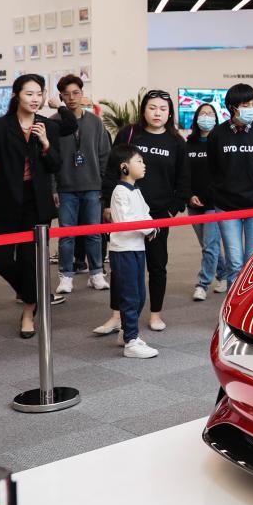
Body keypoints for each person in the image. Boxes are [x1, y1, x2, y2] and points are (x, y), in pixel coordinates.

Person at [0, 74, 77, 337]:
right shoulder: (0, 125)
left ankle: (29, 311)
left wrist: (45, 143)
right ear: (16, 95)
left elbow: (55, 164)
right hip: (7, 199)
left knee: (29, 259)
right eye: (29, 93)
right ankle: (31, 293)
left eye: (39, 94)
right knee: (0, 259)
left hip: (36, 202)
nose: (35, 99)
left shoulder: (48, 126)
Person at [96, 90, 189, 336]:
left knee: (157, 266)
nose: (157, 113)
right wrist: (108, 204)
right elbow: (112, 170)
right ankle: (116, 315)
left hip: (158, 214)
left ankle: (155, 314)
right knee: (121, 267)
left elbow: (183, 180)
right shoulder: (129, 134)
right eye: (152, 107)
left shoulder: (177, 141)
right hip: (125, 213)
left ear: (170, 113)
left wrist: (172, 210)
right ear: (143, 110)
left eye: (163, 109)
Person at [207, 83, 253, 282]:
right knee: (234, 261)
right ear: (232, 108)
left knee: (252, 261)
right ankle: (233, 301)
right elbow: (212, 169)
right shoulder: (217, 135)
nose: (251, 109)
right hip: (226, 206)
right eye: (245, 105)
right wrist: (218, 193)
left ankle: (249, 300)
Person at [53, 75, 111, 295]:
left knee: (94, 233)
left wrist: (104, 187)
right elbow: (49, 158)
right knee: (67, 235)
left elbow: (104, 155)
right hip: (66, 188)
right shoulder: (54, 122)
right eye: (66, 94)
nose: (71, 98)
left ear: (82, 94)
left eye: (75, 93)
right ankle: (66, 276)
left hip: (93, 187)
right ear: (61, 97)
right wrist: (53, 188)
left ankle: (96, 273)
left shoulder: (95, 122)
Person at [106, 143, 159, 359]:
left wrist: (152, 227)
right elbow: (127, 221)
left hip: (137, 248)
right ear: (124, 167)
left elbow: (145, 214)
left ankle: (126, 332)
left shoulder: (135, 190)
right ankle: (131, 342)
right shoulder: (120, 191)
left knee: (139, 295)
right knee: (130, 296)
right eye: (139, 161)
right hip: (123, 251)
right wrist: (149, 228)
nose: (144, 165)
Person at [186, 102, 232, 302]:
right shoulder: (189, 144)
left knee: (210, 245)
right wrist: (189, 195)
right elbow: (184, 174)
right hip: (193, 203)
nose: (206, 117)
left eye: (210, 113)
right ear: (196, 118)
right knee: (207, 246)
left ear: (216, 118)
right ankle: (223, 274)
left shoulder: (221, 142)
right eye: (202, 113)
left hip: (214, 203)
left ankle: (202, 284)